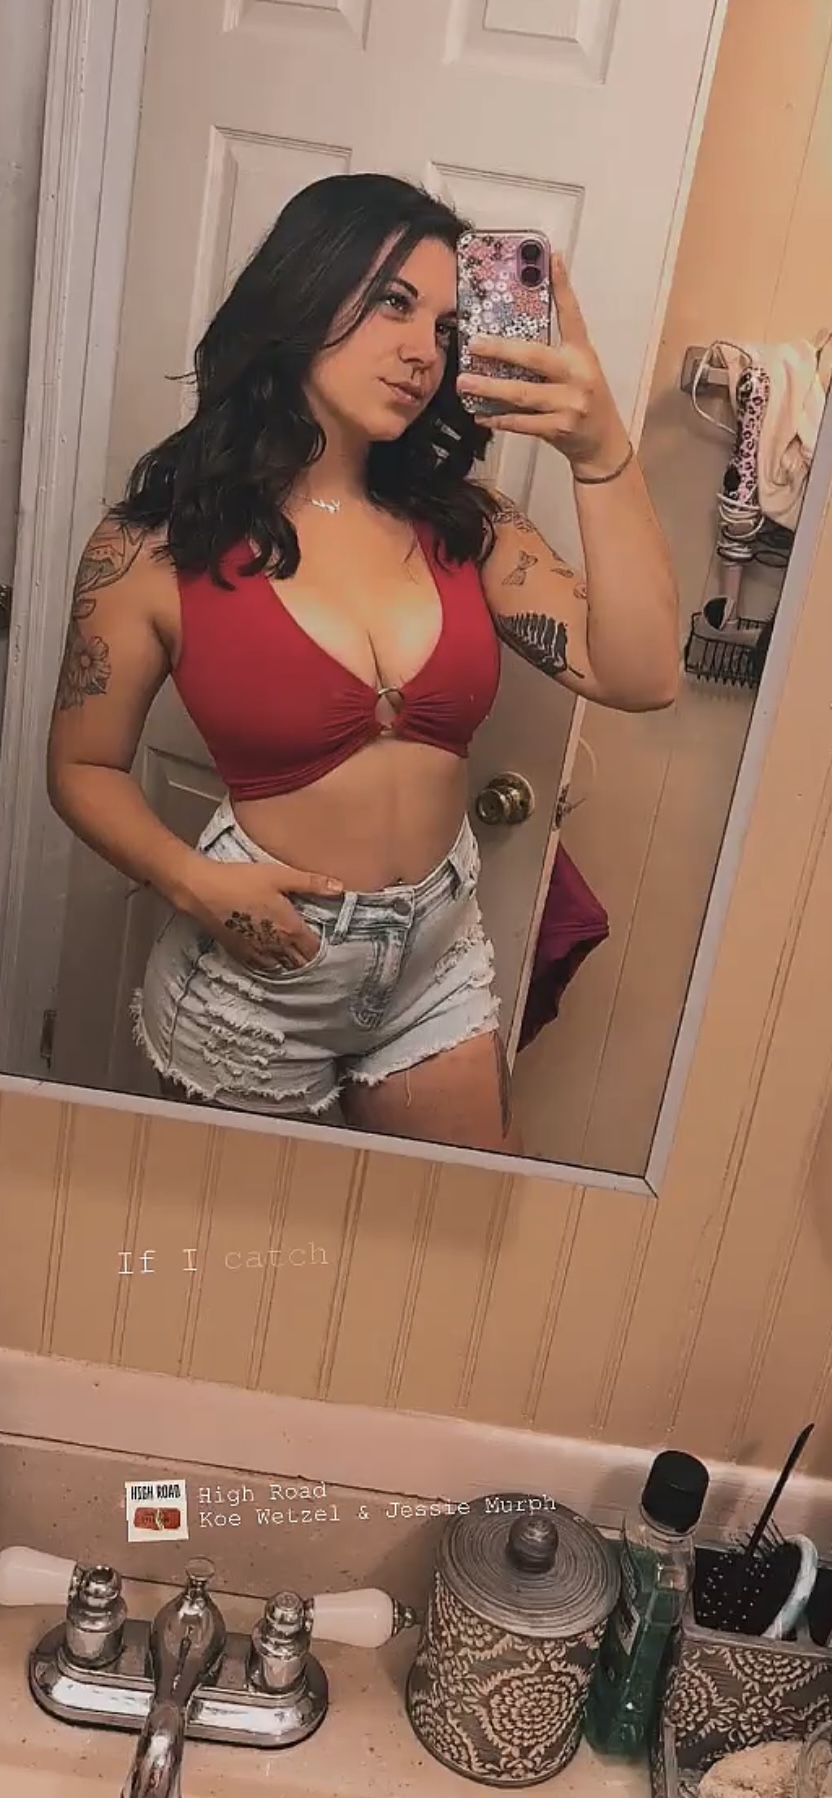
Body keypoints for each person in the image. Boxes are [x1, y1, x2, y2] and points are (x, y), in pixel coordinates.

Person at [46, 173, 679, 1155]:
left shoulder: (466, 526)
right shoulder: (154, 547)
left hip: (434, 970)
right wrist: (192, 883)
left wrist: (601, 456)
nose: (424, 350)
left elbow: (642, 677)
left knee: (443, 1235)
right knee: (247, 1251)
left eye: (445, 326)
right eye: (393, 302)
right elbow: (82, 767)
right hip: (255, 987)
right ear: (303, 292)